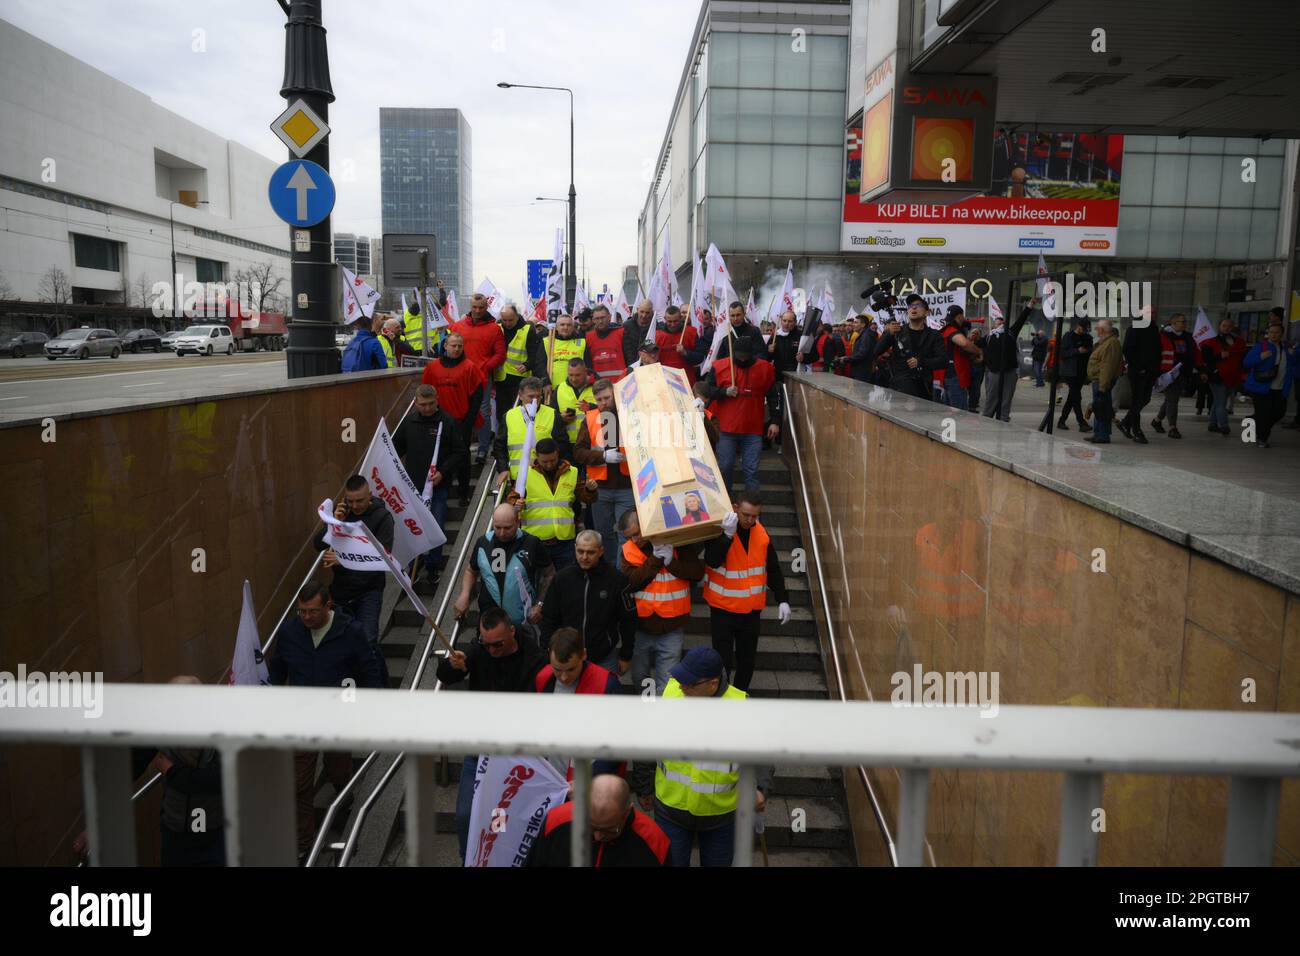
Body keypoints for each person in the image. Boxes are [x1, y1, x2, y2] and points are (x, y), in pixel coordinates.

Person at [269, 581, 383, 857]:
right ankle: (304, 846)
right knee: (299, 784)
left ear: (328, 606)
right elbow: (276, 672)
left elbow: (370, 669)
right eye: (302, 612)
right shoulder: (289, 634)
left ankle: (344, 793)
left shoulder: (350, 632)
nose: (306, 617)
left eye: (312, 611)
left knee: (338, 767)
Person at [630, 648, 772, 868]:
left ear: (713, 683)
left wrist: (761, 787)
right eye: (680, 680)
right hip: (671, 810)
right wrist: (643, 786)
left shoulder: (741, 706)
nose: (681, 687)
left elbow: (763, 751)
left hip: (720, 817)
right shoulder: (668, 695)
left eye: (689, 684)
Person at [436, 606, 547, 860]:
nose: (492, 651)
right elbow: (445, 675)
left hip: (515, 757)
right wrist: (453, 666)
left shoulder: (535, 658)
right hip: (480, 752)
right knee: (466, 815)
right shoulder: (480, 650)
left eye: (497, 645)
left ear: (511, 631)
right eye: (487, 645)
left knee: (507, 820)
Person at [703, 493, 790, 693]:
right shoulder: (721, 528)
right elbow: (712, 560)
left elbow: (773, 568)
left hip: (751, 612)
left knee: (747, 661)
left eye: (755, 516)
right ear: (735, 508)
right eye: (746, 515)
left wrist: (783, 599)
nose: (750, 520)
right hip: (723, 609)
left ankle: (739, 697)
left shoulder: (761, 533)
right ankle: (722, 697)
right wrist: (726, 536)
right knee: (723, 661)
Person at [619, 509, 705, 695]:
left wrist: (671, 563)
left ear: (647, 525)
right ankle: (647, 712)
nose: (634, 540)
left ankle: (660, 719)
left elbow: (697, 573)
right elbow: (630, 583)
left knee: (666, 684)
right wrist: (657, 560)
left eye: (636, 534)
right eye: (629, 536)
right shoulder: (628, 550)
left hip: (671, 627)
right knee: (640, 678)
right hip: (641, 627)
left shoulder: (677, 542)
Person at [312, 475, 393, 662]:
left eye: (360, 501)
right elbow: (318, 544)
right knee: (341, 643)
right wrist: (334, 522)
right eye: (351, 501)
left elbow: (384, 557)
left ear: (370, 496)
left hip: (369, 590)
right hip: (341, 590)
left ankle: (375, 683)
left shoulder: (383, 517)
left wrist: (344, 560)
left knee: (367, 640)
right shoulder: (344, 514)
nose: (355, 506)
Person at [394, 384, 467, 590]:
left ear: (437, 401)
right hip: (412, 486)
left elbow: (460, 452)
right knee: (412, 527)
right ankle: (413, 567)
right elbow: (396, 448)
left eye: (430, 404)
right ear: (416, 403)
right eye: (422, 405)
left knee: (436, 527)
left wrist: (443, 472)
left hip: (438, 486)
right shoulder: (409, 422)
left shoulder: (448, 422)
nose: (426, 409)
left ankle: (433, 566)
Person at [538, 531, 635, 675]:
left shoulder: (617, 580)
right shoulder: (561, 579)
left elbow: (628, 620)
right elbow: (548, 618)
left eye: (590, 552)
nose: (584, 557)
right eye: (580, 551)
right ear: (575, 548)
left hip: (603, 657)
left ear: (601, 551)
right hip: (566, 658)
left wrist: (626, 655)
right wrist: (547, 649)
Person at [525, 774, 669, 867]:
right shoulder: (557, 821)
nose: (598, 836)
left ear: (627, 812)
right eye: (591, 827)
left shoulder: (654, 843)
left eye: (610, 830)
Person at [453, 502, 554, 631]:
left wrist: (540, 604)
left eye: (507, 528)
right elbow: (471, 571)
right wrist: (465, 595)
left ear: (518, 522)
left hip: (520, 621)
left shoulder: (531, 543)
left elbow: (549, 573)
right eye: (497, 527)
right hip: (488, 619)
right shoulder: (483, 542)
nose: (501, 533)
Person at [507, 437, 596, 572]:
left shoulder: (572, 472)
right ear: (537, 457)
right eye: (544, 461)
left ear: (558, 454)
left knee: (565, 582)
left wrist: (590, 489)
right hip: (535, 541)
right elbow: (511, 499)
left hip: (564, 541)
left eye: (552, 460)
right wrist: (515, 505)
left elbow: (586, 498)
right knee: (536, 585)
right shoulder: (525, 474)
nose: (549, 464)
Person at [703, 337, 778, 494]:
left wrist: (775, 421)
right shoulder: (720, 366)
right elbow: (707, 391)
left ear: (752, 353)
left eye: (745, 355)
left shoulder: (765, 369)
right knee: (725, 467)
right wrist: (724, 392)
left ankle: (752, 508)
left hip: (753, 429)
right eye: (739, 355)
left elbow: (772, 396)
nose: (742, 358)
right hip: (725, 428)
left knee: (751, 470)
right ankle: (727, 504)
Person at [421, 331, 486, 505]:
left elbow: (477, 396)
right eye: (453, 345)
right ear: (445, 346)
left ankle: (463, 493)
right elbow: (424, 392)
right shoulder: (433, 368)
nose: (456, 349)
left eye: (459, 346)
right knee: (440, 457)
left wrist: (468, 421)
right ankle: (441, 491)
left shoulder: (470, 367)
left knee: (463, 458)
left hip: (461, 421)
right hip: (438, 420)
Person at [573, 377, 633, 556]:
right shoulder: (591, 418)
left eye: (607, 398)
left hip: (627, 486)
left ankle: (623, 575)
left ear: (614, 395)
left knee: (626, 535)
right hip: (600, 488)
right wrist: (603, 456)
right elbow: (578, 452)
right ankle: (611, 574)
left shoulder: (629, 415)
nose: (603, 403)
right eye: (599, 400)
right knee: (604, 536)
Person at [450, 293, 506, 464]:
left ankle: (482, 449)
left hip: (482, 378)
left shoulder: (494, 328)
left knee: (483, 412)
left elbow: (501, 354)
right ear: (470, 306)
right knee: (458, 411)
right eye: (474, 307)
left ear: (486, 307)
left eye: (481, 307)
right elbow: (448, 348)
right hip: (460, 377)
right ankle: (459, 447)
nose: (477, 310)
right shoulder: (458, 326)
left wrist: (485, 366)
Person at [494, 376, 572, 485]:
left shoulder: (553, 414)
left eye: (538, 396)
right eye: (531, 396)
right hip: (518, 478)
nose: (535, 400)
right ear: (520, 396)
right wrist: (503, 469)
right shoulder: (509, 416)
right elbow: (499, 446)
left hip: (546, 477)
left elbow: (563, 445)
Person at [872, 294, 947, 401]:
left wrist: (921, 362)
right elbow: (876, 351)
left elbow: (943, 361)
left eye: (918, 305)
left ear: (927, 312)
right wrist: (888, 334)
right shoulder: (898, 332)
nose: (913, 307)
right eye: (911, 306)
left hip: (923, 390)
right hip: (900, 390)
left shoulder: (934, 335)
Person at [1241, 321, 1295, 448]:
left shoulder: (1286, 348)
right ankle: (1262, 438)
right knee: (1264, 413)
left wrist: (1293, 354)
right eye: (1271, 332)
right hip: (1262, 387)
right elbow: (1246, 363)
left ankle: (1255, 422)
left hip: (1280, 387)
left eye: (1276, 332)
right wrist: (1260, 357)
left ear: (1282, 334)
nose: (1273, 335)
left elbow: (1292, 365)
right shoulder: (1261, 346)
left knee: (1280, 411)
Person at [495, 303, 550, 430]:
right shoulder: (498, 328)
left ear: (517, 316)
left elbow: (534, 355)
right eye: (504, 320)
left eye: (510, 320)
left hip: (519, 380)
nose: (507, 323)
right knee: (502, 414)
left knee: (519, 413)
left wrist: (526, 365)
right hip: (501, 379)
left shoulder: (527, 329)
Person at [980, 301, 1035, 421]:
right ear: (994, 324)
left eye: (1002, 320)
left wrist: (1029, 307)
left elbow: (1021, 319)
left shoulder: (1011, 333)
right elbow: (978, 347)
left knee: (1006, 397)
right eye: (997, 320)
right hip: (994, 372)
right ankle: (987, 417)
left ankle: (1004, 418)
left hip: (1009, 371)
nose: (1000, 321)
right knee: (992, 397)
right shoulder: (989, 337)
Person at [1150, 312, 1197, 440]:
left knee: (1171, 399)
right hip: (1168, 373)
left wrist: (1200, 369)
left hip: (1183, 372)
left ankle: (1157, 420)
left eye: (1185, 321)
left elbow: (1194, 353)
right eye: (1182, 321)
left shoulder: (1188, 337)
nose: (1185, 324)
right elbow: (1156, 354)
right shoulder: (1163, 336)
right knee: (1173, 400)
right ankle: (1172, 427)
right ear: (1174, 323)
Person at [1118, 314, 1162, 444]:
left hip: (1151, 371)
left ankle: (1126, 422)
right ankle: (1136, 431)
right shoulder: (1134, 328)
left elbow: (1157, 350)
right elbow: (1127, 349)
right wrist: (1137, 366)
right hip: (1138, 371)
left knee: (1145, 399)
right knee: (1137, 401)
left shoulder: (1154, 329)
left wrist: (1156, 370)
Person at [1201, 318, 1247, 437]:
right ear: (1220, 326)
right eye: (1224, 325)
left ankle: (1213, 423)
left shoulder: (1238, 342)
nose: (1226, 328)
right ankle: (1224, 425)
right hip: (1217, 376)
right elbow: (1206, 359)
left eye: (1229, 326)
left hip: (1231, 377)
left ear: (1232, 328)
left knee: (1218, 401)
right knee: (1221, 402)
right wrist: (1219, 356)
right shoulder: (1210, 342)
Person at [1085, 319, 1122, 444]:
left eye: (1097, 328)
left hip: (1102, 382)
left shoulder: (1111, 343)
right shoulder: (1104, 342)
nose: (1096, 331)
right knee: (1099, 407)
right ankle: (1098, 433)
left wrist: (1103, 386)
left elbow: (1107, 366)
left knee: (1102, 408)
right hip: (1098, 381)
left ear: (1102, 330)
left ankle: (1103, 435)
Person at [938, 305, 981, 410]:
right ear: (960, 316)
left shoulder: (945, 330)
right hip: (954, 377)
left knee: (949, 412)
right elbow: (964, 344)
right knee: (959, 413)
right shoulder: (952, 330)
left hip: (947, 375)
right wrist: (979, 351)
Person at [1056, 318, 1093, 432]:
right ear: (1078, 326)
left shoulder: (1088, 338)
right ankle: (1081, 422)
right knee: (1076, 397)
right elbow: (1062, 353)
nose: (1084, 331)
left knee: (1072, 397)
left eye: (1086, 329)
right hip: (1070, 372)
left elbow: (1091, 351)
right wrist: (1077, 351)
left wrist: (1087, 351)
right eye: (1083, 329)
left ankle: (1062, 420)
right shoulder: (1068, 336)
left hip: (1082, 372)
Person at [551, 357, 595, 448]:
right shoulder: (559, 389)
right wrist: (560, 418)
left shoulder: (598, 386)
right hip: (568, 444)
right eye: (570, 375)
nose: (574, 379)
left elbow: (609, 410)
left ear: (585, 372)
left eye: (577, 375)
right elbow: (550, 417)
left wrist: (591, 408)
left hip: (593, 442)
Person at [655, 305, 699, 384]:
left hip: (686, 380)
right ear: (665, 319)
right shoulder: (656, 335)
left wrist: (685, 352)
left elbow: (699, 357)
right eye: (669, 321)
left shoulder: (691, 332)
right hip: (664, 380)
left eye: (675, 321)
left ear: (681, 318)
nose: (672, 324)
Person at [586, 303, 627, 381]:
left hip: (620, 383)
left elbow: (629, 359)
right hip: (599, 385)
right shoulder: (588, 337)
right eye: (597, 318)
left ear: (609, 317)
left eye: (603, 317)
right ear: (593, 320)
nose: (600, 321)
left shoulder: (621, 333)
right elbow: (588, 365)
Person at [546, 313, 588, 388]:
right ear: (557, 327)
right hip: (554, 388)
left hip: (577, 388)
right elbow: (540, 365)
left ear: (573, 327)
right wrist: (545, 382)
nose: (565, 327)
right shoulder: (548, 342)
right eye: (562, 325)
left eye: (569, 325)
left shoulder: (582, 342)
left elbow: (588, 364)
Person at [621, 300, 658, 366]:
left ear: (652, 312)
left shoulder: (656, 327)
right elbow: (624, 348)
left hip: (648, 367)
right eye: (642, 312)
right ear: (637, 310)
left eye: (647, 313)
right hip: (630, 367)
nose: (644, 315)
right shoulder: (627, 326)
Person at [967, 325, 986, 403]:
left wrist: (980, 359)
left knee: (976, 386)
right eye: (973, 333)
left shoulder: (981, 342)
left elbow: (982, 355)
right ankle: (972, 400)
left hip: (977, 367)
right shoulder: (967, 341)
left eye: (976, 333)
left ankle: (974, 403)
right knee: (969, 386)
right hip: (969, 366)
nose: (974, 334)